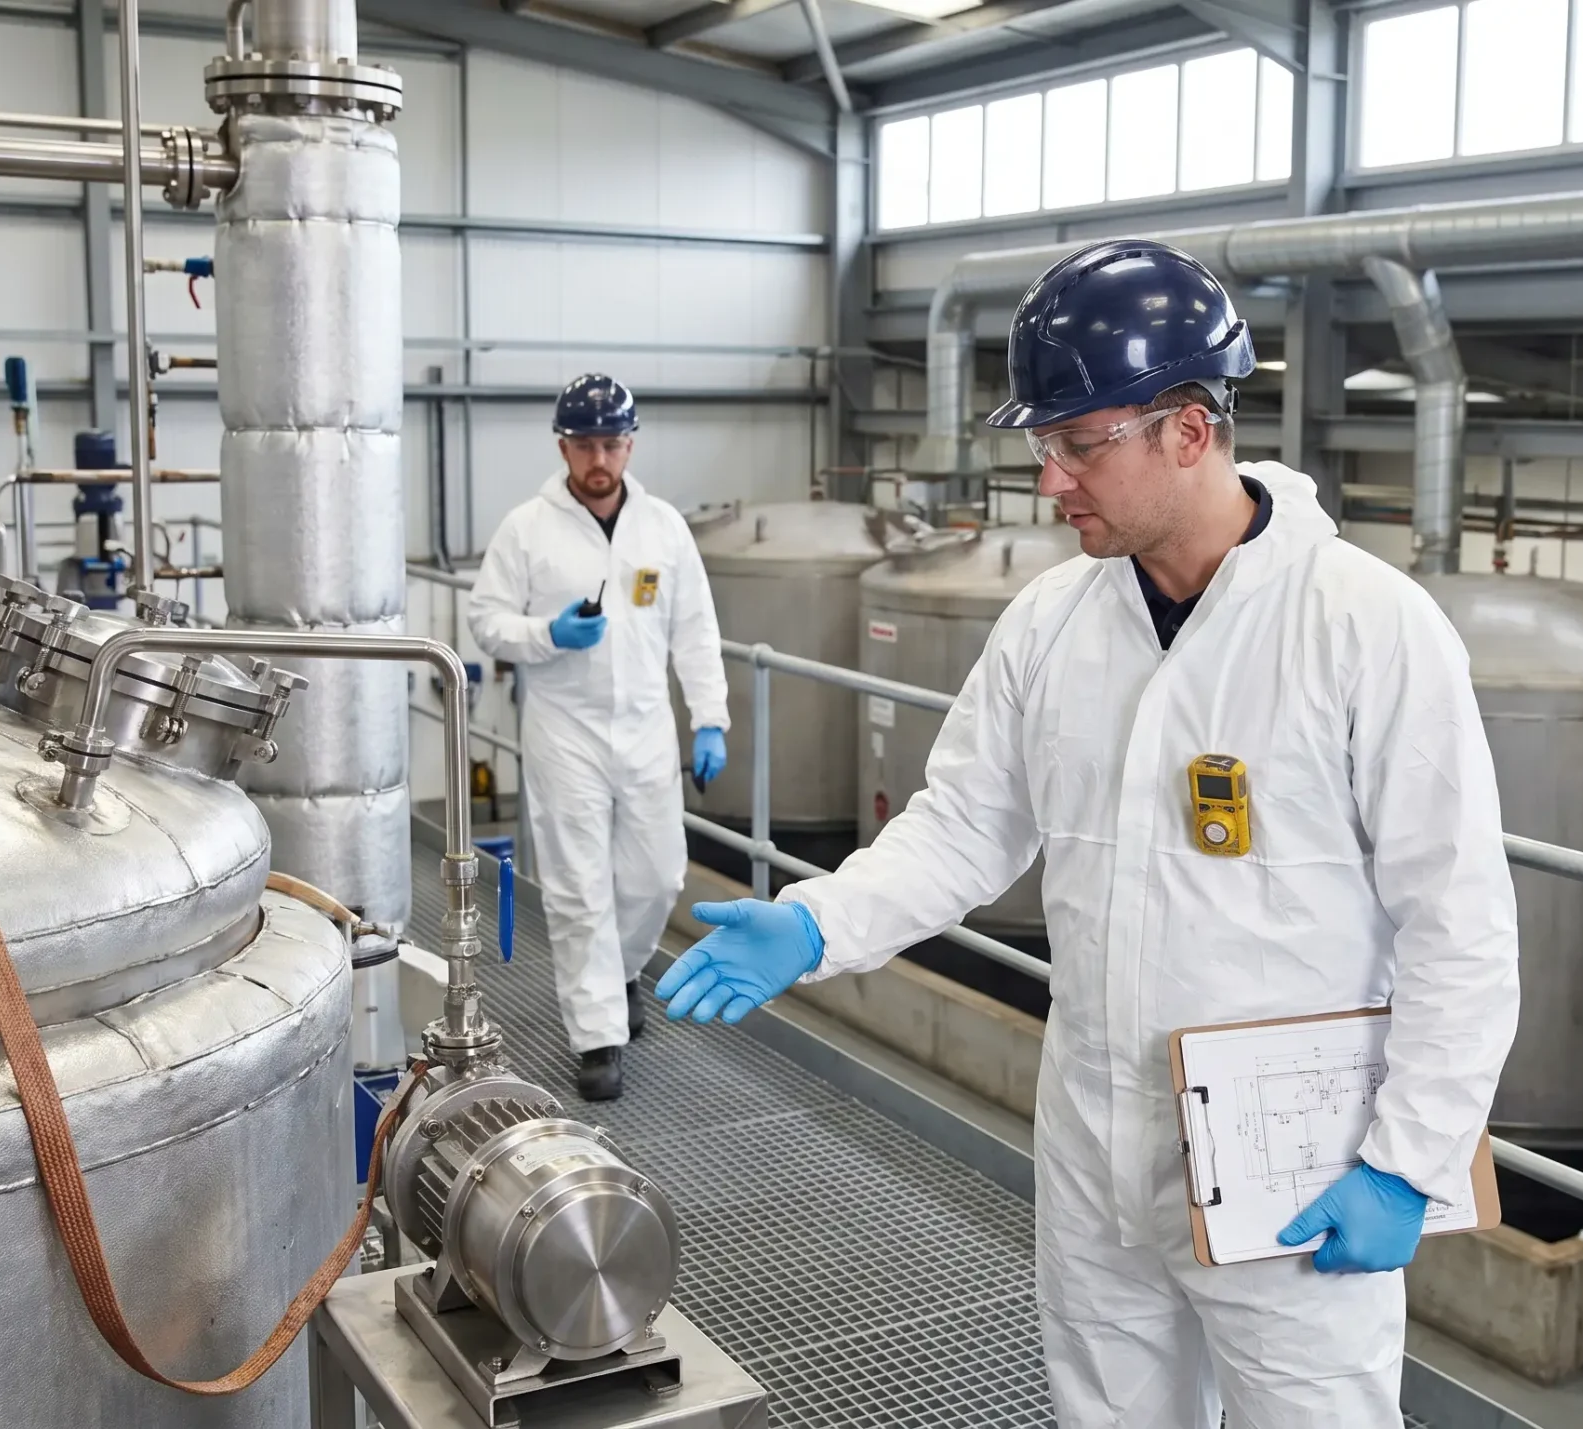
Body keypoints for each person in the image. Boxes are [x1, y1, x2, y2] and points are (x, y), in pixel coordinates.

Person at [654, 239, 1521, 1424]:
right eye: (1041, 444)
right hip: (1095, 1142)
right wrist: (816, 921)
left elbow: (1459, 926)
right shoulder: (1053, 619)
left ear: (1187, 427)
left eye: (1077, 442)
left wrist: (1406, 1160)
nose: (1049, 479)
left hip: (1297, 1163)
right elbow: (965, 822)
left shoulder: (1366, 626)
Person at [469, 373, 730, 1102]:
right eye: (585, 444)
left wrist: (710, 716)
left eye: (612, 443)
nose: (600, 458)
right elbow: (486, 620)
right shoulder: (528, 528)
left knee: (657, 875)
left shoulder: (664, 528)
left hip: (646, 726)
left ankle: (618, 973)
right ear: (563, 445)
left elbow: (695, 631)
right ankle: (598, 1035)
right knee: (580, 887)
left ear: (630, 443)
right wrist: (546, 634)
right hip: (565, 730)